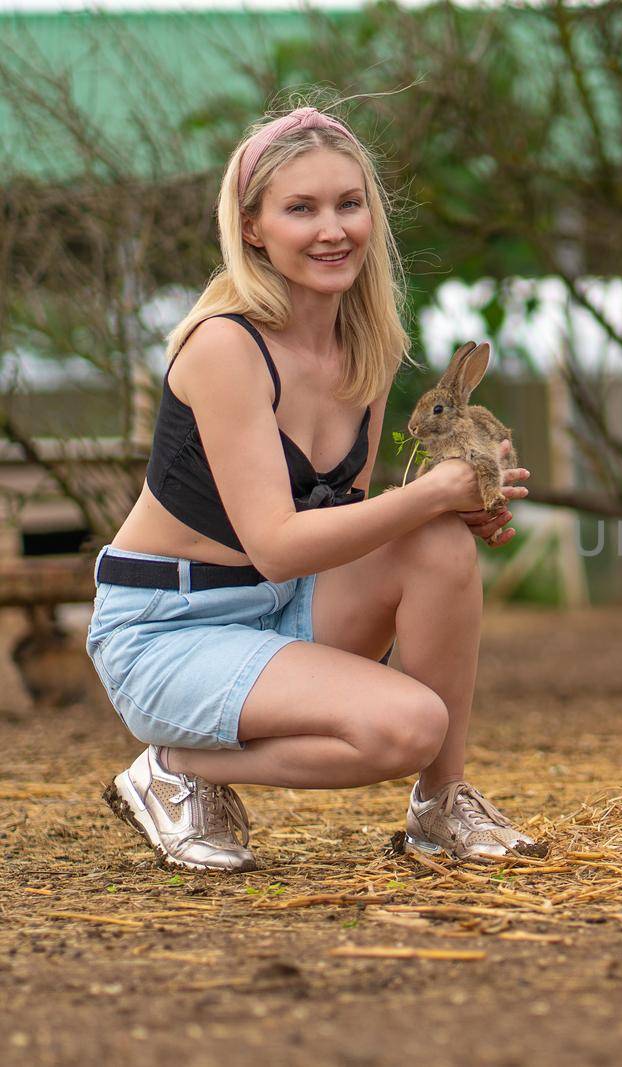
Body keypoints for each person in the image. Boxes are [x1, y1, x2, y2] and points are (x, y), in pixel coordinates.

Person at [87, 104, 543, 872]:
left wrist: (458, 506)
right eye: (301, 208)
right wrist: (431, 494)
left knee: (436, 545)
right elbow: (274, 544)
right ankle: (174, 768)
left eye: (348, 204)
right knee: (405, 725)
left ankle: (442, 806)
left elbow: (343, 522)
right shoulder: (225, 347)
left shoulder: (363, 349)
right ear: (254, 227)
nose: (333, 229)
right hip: (169, 630)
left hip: (276, 609)